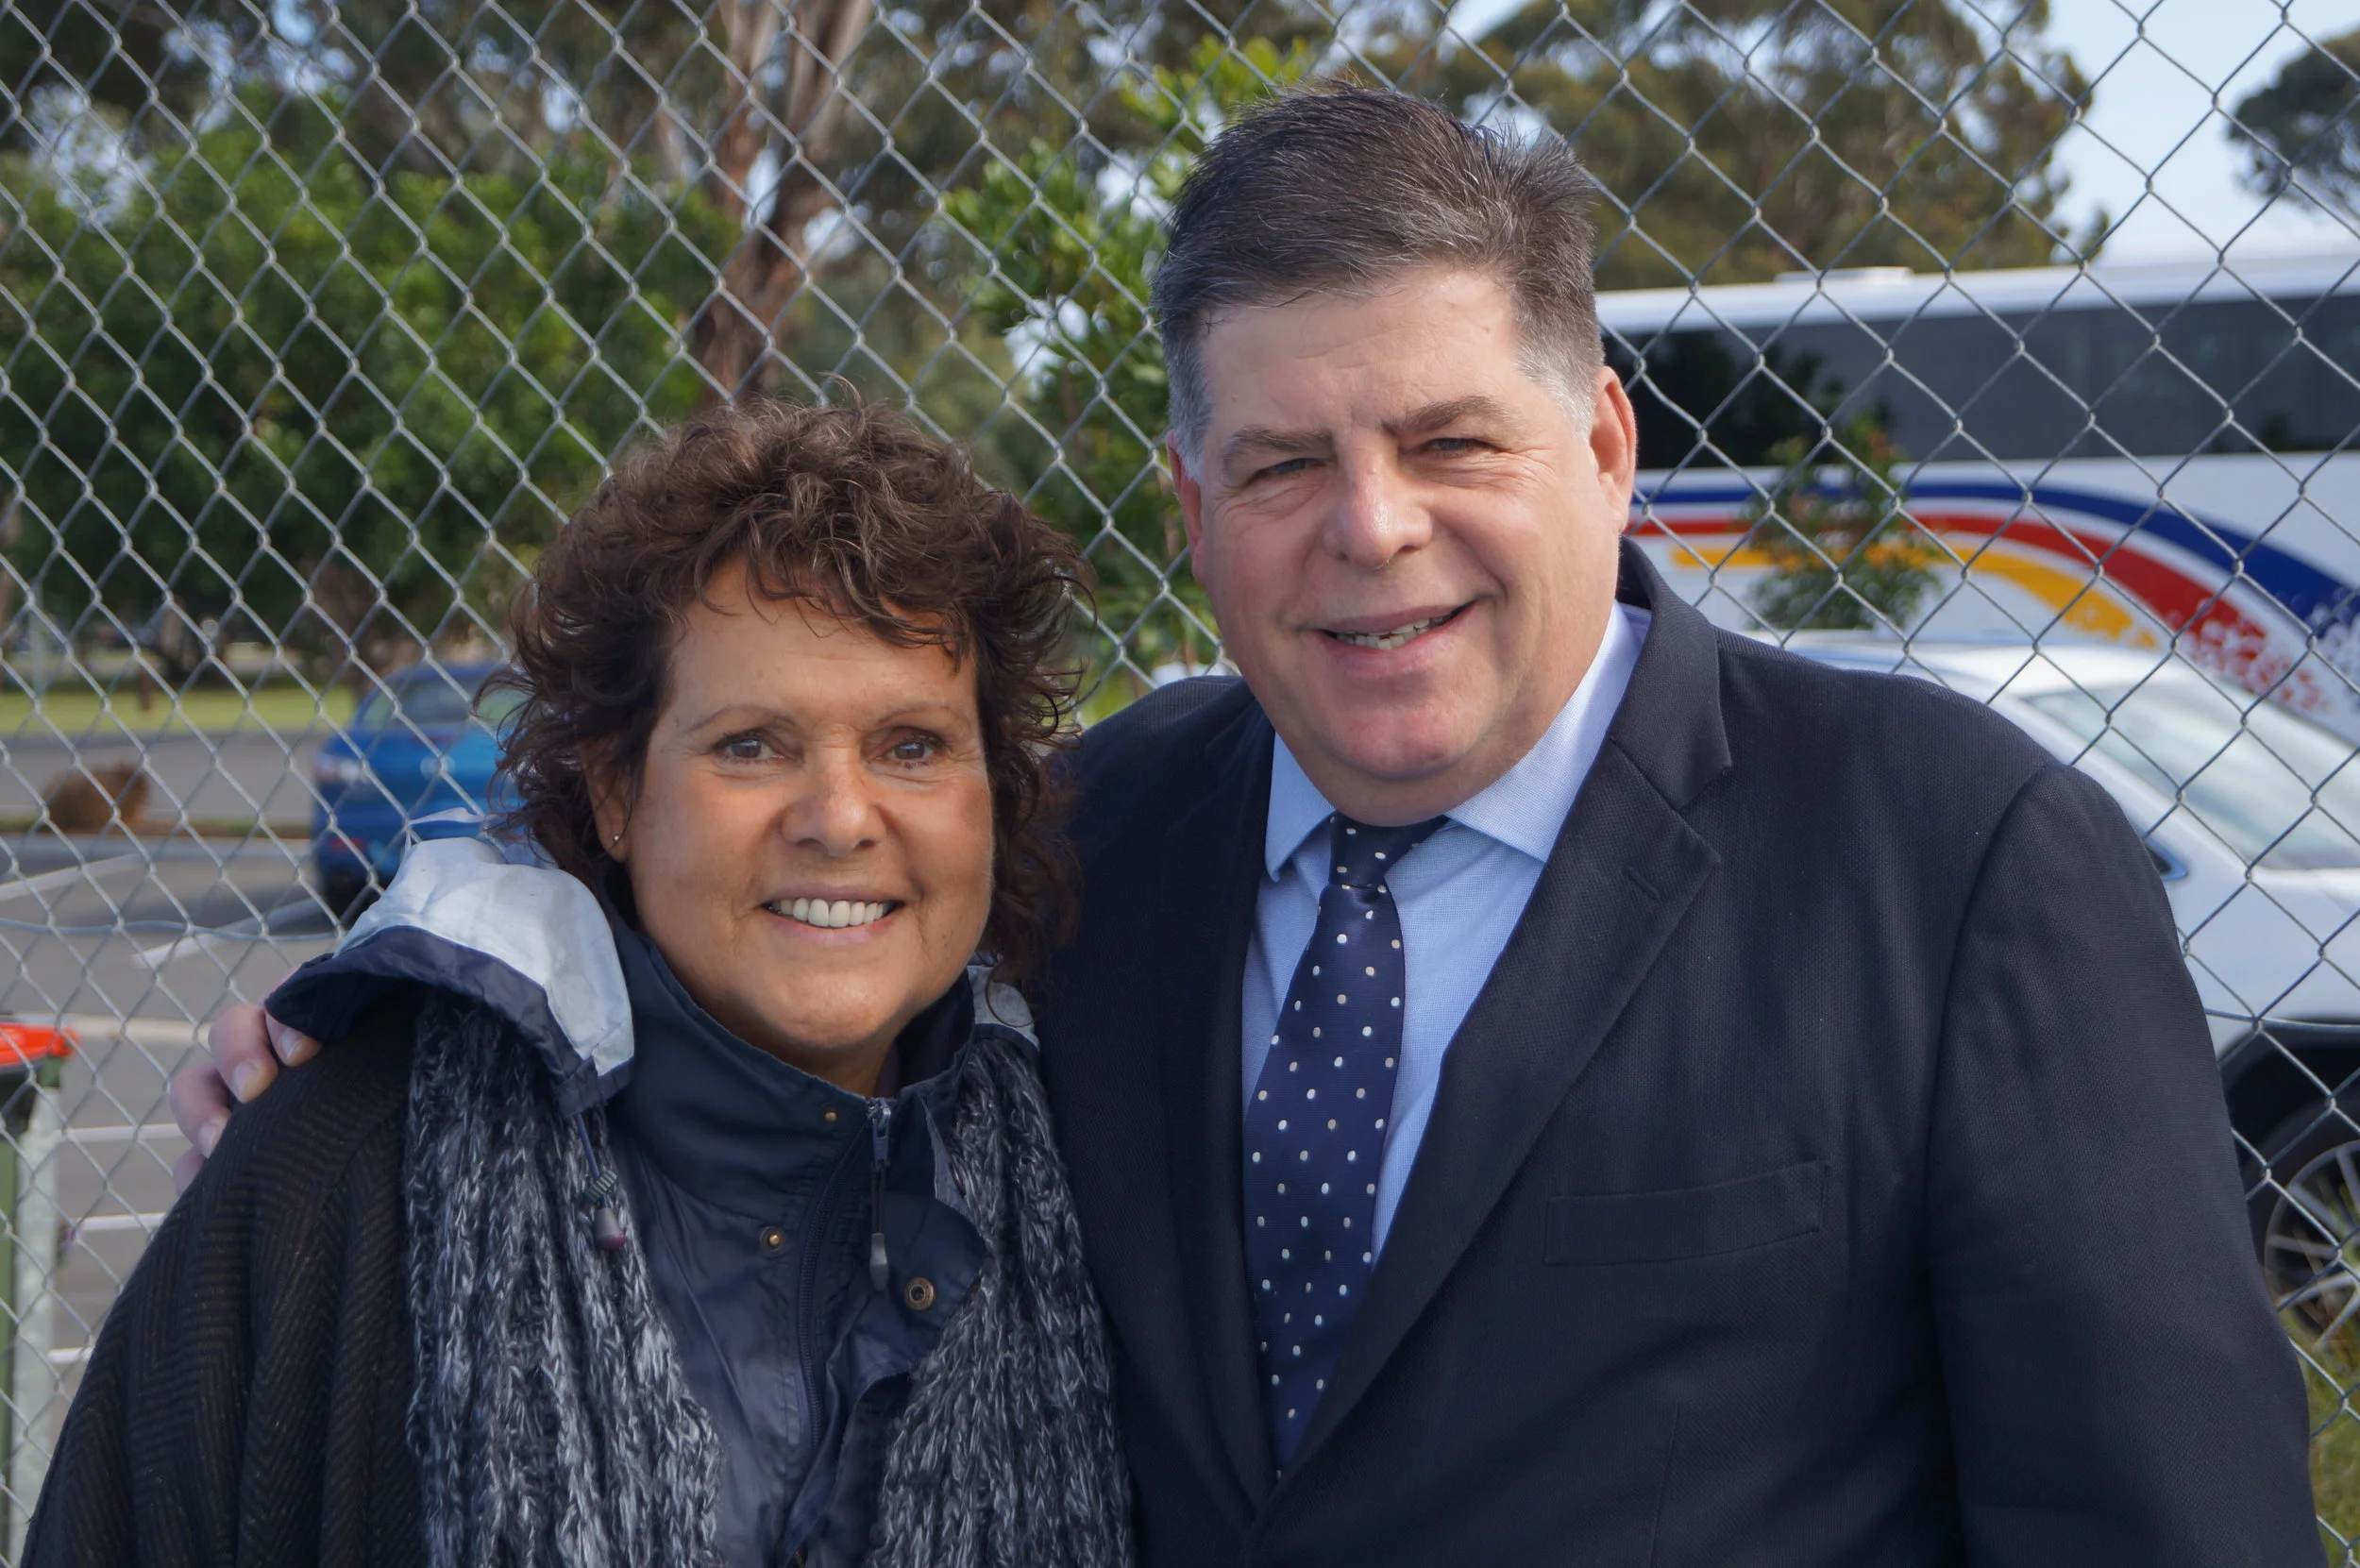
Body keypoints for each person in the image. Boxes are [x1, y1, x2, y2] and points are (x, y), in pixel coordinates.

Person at [180, 89, 2319, 1562]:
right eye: (1287, 463)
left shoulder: (1954, 861)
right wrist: (388, 1012)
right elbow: (740, 908)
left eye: (1451, 438)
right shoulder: (1095, 833)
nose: (1373, 531)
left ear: (1601, 444)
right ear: (1196, 508)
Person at [36, 402, 1133, 1568]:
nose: (839, 819)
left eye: (912, 744)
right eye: (751, 743)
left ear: (992, 793)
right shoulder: (340, 1172)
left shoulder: (1094, 1179)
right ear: (615, 791)